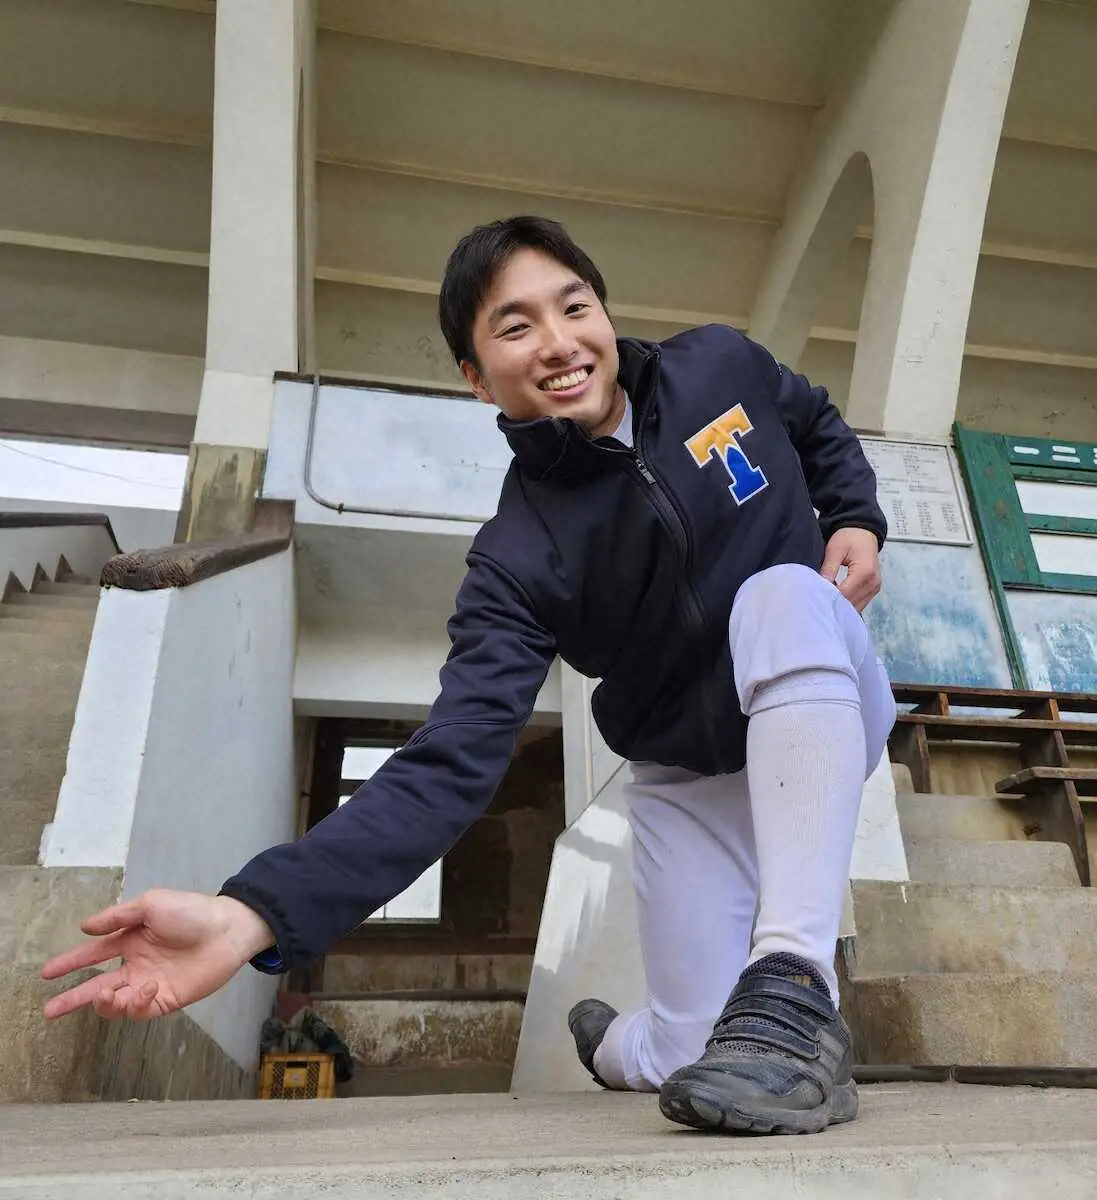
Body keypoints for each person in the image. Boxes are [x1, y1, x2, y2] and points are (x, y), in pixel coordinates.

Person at [42, 215, 894, 1135]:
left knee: (778, 596)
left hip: (814, 691)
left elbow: (808, 417)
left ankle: (796, 986)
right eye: (515, 326)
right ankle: (615, 1046)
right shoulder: (517, 559)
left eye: (573, 306)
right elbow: (451, 758)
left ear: (603, 311)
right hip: (681, 774)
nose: (560, 343)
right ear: (476, 375)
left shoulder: (718, 365)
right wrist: (250, 914)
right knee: (687, 1057)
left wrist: (853, 515)